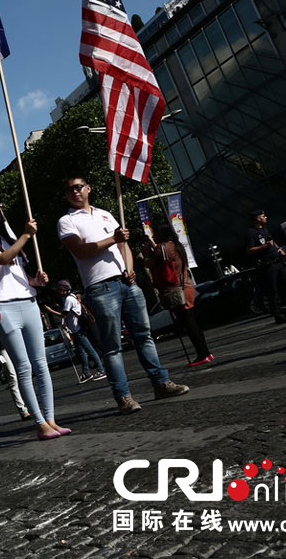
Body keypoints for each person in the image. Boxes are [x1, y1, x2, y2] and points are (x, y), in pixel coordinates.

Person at [56, 177, 189, 415]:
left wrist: (129, 268)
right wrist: (113, 239)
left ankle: (161, 383)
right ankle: (123, 397)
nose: (74, 191)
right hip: (99, 287)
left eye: (78, 187)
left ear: (89, 188)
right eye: (69, 189)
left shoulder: (105, 213)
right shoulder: (66, 221)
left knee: (144, 336)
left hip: (126, 282)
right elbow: (81, 250)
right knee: (112, 346)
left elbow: (123, 244)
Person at [0, 199, 71, 439]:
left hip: (28, 301)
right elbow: (4, 259)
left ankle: (51, 418)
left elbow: (18, 274)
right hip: (4, 308)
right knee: (24, 366)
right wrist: (26, 235)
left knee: (41, 363)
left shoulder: (8, 239)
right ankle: (39, 423)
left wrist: (36, 281)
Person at [145, 222, 214, 366]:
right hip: (187, 287)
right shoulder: (177, 246)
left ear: (161, 235)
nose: (154, 237)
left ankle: (202, 354)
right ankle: (206, 352)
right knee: (192, 322)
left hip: (176, 290)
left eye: (155, 234)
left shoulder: (163, 248)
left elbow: (150, 263)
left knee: (188, 324)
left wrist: (147, 251)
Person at [44, 280, 107, 382]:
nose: (58, 292)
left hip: (77, 329)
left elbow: (63, 314)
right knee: (81, 352)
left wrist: (50, 310)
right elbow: (69, 315)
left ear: (64, 290)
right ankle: (86, 372)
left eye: (59, 290)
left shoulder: (68, 299)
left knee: (89, 350)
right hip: (75, 329)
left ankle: (101, 370)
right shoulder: (72, 296)